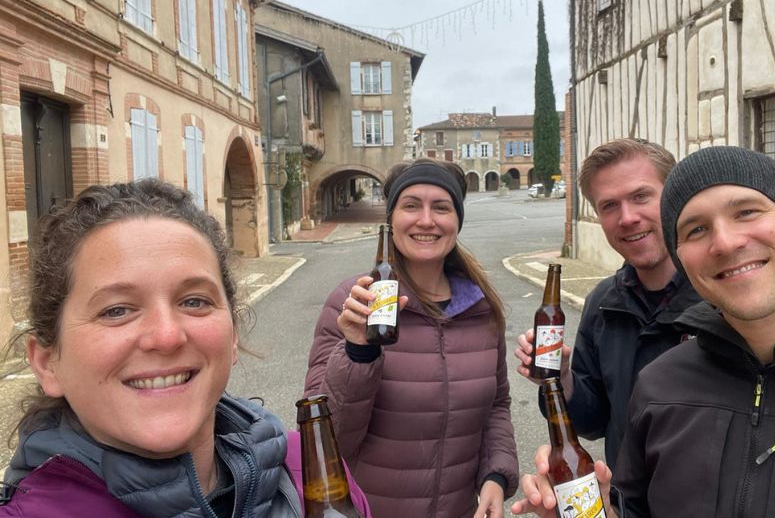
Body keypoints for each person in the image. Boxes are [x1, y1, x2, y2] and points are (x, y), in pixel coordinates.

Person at [513, 146, 775, 517]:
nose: (726, 242)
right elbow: (602, 436)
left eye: (747, 212)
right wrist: (600, 509)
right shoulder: (655, 375)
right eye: (696, 229)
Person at [0, 179, 371, 517]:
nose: (166, 336)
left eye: (194, 301)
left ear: (232, 336)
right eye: (116, 310)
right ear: (47, 363)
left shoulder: (308, 469)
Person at [305, 158, 518, 517]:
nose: (426, 220)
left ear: (457, 221)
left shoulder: (481, 308)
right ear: (391, 220)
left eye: (441, 207)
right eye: (410, 205)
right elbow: (325, 440)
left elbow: (497, 405)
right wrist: (357, 351)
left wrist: (495, 476)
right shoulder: (352, 304)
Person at [514, 138, 702, 469]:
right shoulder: (602, 303)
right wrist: (563, 380)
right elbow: (595, 421)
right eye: (609, 205)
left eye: (641, 196)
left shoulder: (721, 294)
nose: (627, 217)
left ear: (674, 198)